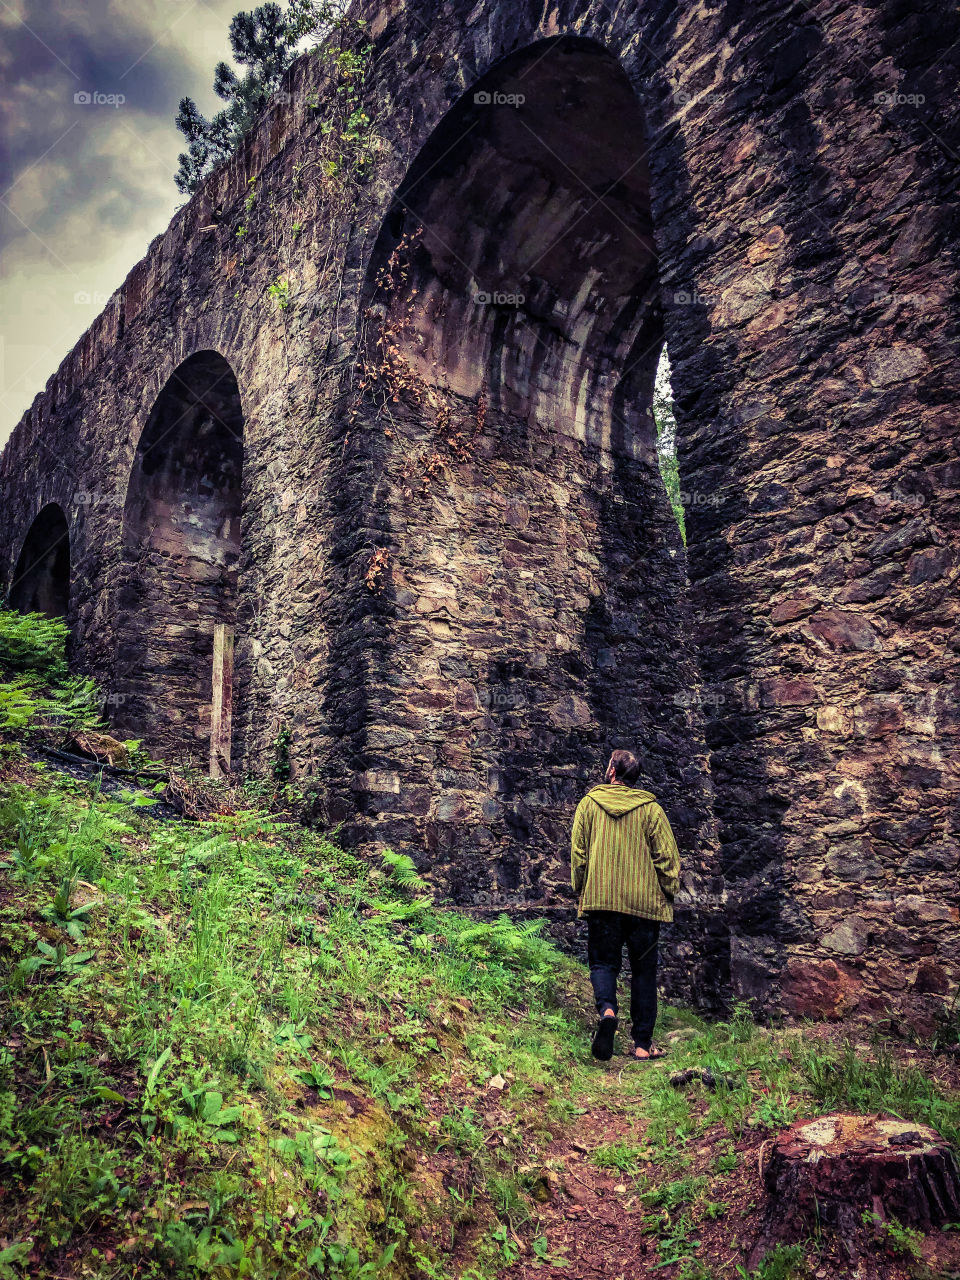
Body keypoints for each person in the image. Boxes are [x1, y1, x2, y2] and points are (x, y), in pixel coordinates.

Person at [570, 749, 680, 1062]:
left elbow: (579, 855)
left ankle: (607, 1011)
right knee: (644, 973)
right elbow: (668, 859)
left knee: (603, 964)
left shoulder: (589, 805)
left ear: (611, 771)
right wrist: (668, 891)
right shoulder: (651, 810)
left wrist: (582, 888)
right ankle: (643, 1045)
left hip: (602, 900)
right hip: (644, 905)